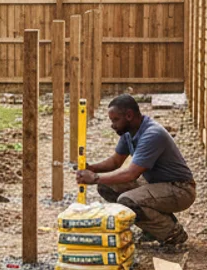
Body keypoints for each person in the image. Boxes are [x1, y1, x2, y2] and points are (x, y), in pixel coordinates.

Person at [76, 94, 196, 245]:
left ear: (129, 115)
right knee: (107, 187)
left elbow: (131, 174)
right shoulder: (130, 132)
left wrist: (94, 178)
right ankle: (152, 229)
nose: (112, 125)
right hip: (158, 185)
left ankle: (172, 233)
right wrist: (91, 168)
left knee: (127, 200)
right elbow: (115, 162)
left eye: (115, 120)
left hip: (180, 190)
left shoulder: (152, 134)